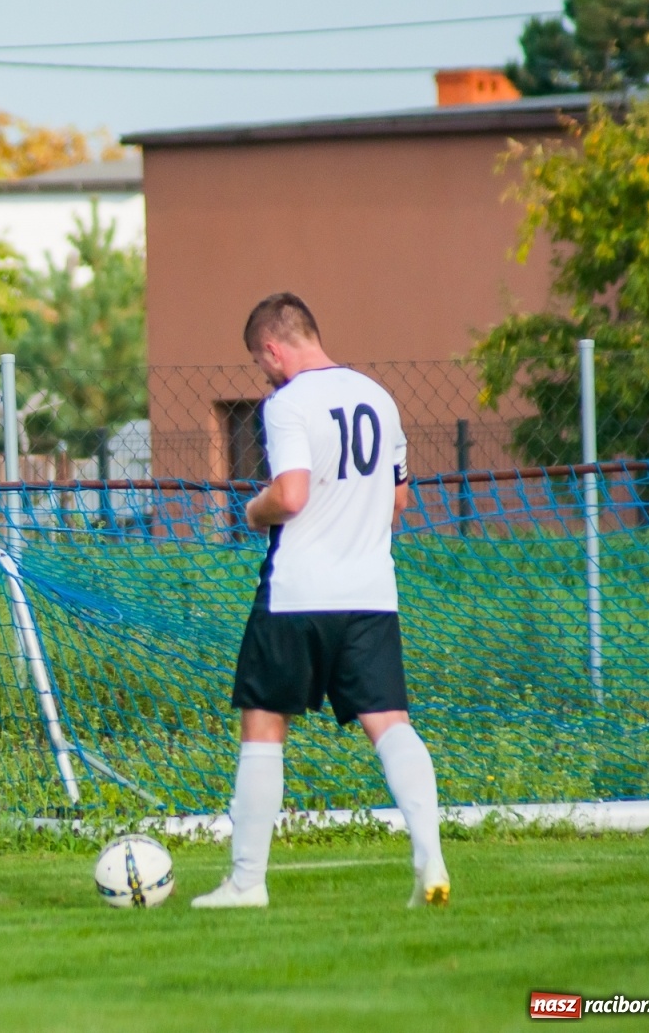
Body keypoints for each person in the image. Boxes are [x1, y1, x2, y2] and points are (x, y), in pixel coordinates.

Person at [192, 292, 449, 910]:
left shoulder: (287, 404)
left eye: (262, 362)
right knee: (389, 724)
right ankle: (431, 858)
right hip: (371, 595)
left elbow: (293, 494)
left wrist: (253, 510)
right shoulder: (378, 398)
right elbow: (398, 501)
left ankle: (247, 882)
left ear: (274, 349)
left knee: (263, 724)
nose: (265, 373)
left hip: (298, 593)